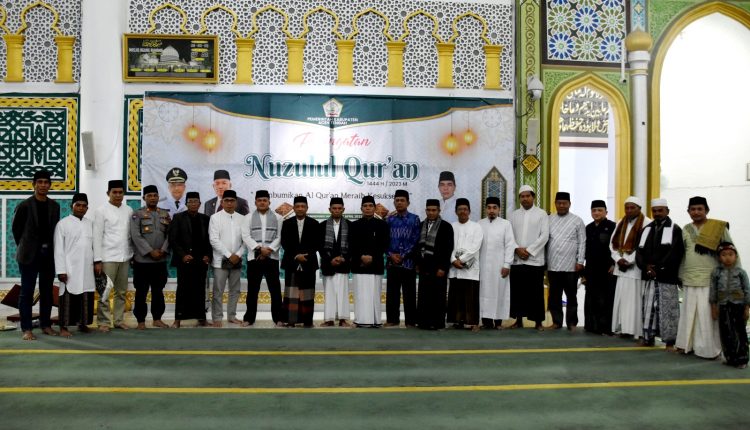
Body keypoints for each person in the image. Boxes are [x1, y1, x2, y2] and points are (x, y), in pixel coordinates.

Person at [676, 196, 733, 358]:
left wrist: (732, 275)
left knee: (707, 315)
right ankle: (687, 345)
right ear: (688, 211)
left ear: (706, 210)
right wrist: (680, 274)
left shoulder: (718, 228)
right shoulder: (686, 229)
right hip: (689, 276)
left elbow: (730, 251)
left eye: (699, 209)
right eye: (692, 209)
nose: (696, 212)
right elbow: (683, 254)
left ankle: (709, 349)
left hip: (711, 278)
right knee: (688, 313)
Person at [12, 169, 60, 340]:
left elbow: (54, 231)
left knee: (47, 292)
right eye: (39, 182)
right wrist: (27, 247)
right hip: (28, 256)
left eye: (46, 182)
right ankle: (26, 328)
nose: (43, 185)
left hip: (48, 256)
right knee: (27, 292)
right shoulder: (24, 205)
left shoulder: (55, 206)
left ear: (50, 185)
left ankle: (45, 325)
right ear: (34, 184)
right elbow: (16, 231)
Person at [635, 198, 684, 349]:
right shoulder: (646, 229)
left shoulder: (675, 229)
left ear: (667, 211)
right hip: (649, 277)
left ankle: (670, 341)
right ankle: (648, 338)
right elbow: (639, 252)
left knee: (668, 310)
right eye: (654, 211)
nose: (657, 213)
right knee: (648, 309)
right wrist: (645, 267)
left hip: (666, 277)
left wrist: (657, 267)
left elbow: (675, 253)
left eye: (660, 210)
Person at [93, 179, 134, 332]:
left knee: (121, 292)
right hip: (107, 257)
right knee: (105, 291)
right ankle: (103, 321)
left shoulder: (128, 210)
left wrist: (131, 254)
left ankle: (118, 320)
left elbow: (130, 235)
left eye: (120, 192)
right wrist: (97, 260)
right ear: (108, 193)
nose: (117, 195)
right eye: (114, 192)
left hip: (125, 257)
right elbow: (97, 236)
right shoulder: (101, 211)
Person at [53, 193, 95, 338]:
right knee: (67, 298)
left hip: (87, 268)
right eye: (78, 205)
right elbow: (58, 249)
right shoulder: (63, 224)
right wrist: (61, 270)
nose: (81, 208)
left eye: (84, 206)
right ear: (72, 206)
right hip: (70, 268)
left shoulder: (90, 223)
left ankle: (82, 324)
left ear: (87, 208)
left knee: (86, 296)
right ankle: (63, 327)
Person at [130, 185, 171, 330]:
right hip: (142, 261)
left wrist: (163, 250)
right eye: (149, 196)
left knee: (158, 291)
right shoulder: (137, 214)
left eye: (155, 195)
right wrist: (149, 251)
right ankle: (141, 321)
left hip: (160, 261)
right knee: (141, 291)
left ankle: (157, 319)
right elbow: (135, 235)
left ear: (158, 197)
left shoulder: (165, 214)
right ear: (144, 198)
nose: (152, 198)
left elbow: (169, 235)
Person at [508, 185, 549, 330]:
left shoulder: (542, 214)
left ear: (533, 197)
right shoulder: (513, 215)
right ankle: (518, 320)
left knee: (536, 292)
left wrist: (529, 251)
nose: (525, 199)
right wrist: (517, 249)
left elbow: (544, 236)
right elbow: (509, 236)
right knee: (518, 291)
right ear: (519, 198)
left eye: (527, 196)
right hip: (517, 259)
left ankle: (538, 322)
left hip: (535, 260)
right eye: (522, 196)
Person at [610, 196, 650, 338]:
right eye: (627, 208)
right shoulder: (621, 222)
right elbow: (612, 244)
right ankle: (623, 328)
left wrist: (629, 261)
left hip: (635, 269)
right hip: (621, 268)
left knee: (634, 301)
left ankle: (634, 330)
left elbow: (643, 247)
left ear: (639, 208)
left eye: (632, 207)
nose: (629, 210)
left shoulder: (647, 223)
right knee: (622, 299)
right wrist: (618, 259)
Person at [241, 190, 283, 327]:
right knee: (252, 290)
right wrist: (260, 249)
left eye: (265, 200)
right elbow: (246, 236)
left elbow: (280, 237)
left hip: (272, 258)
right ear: (255, 202)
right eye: (259, 200)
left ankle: (278, 318)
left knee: (275, 290)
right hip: (254, 258)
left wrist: (268, 249)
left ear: (269, 202)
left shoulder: (278, 217)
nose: (262, 202)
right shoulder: (248, 217)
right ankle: (249, 318)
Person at [169, 191, 211, 328]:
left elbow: (210, 239)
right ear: (186, 204)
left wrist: (208, 255)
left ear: (199, 204)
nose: (193, 204)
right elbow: (173, 239)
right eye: (190, 201)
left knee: (200, 290)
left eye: (195, 201)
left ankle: (201, 318)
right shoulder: (178, 218)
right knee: (182, 289)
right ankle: (178, 319)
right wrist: (183, 255)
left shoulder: (205, 219)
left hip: (200, 260)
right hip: (185, 260)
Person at [546, 191, 586, 331]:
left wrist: (580, 261)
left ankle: (572, 323)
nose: (562, 205)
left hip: (571, 266)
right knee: (554, 296)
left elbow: (582, 242)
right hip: (553, 264)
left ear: (569, 204)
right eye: (559, 203)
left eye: (564, 203)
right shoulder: (549, 219)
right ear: (555, 204)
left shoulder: (577, 220)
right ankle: (556, 322)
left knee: (571, 296)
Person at [350, 195, 390, 327]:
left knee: (374, 294)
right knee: (360, 294)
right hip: (359, 264)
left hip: (375, 264)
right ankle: (360, 320)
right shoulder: (354, 225)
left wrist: (373, 256)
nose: (367, 208)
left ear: (374, 208)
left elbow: (384, 244)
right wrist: (361, 256)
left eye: (370, 206)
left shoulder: (382, 225)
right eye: (365, 206)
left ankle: (375, 320)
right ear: (361, 208)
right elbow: (351, 245)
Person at [208, 189, 246, 327]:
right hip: (220, 261)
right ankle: (217, 317)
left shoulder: (242, 218)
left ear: (236, 203)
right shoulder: (215, 218)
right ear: (222, 202)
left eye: (232, 201)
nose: (229, 203)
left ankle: (232, 316)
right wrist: (230, 255)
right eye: (227, 201)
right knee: (218, 290)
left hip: (237, 260)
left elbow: (246, 240)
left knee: (235, 290)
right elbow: (214, 240)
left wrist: (238, 254)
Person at [280, 196, 320, 328]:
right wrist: (296, 255)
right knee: (292, 293)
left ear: (307, 208)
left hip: (308, 261)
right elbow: (285, 242)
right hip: (291, 261)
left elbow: (316, 243)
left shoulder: (314, 223)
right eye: (297, 206)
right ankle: (291, 320)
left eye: (303, 206)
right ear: (293, 208)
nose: (300, 209)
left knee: (307, 293)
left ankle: (307, 321)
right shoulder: (287, 223)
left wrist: (304, 255)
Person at [385, 190, 421, 328]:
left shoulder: (414, 219)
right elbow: (384, 240)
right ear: (394, 202)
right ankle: (392, 319)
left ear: (408, 203)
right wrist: (391, 254)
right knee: (392, 293)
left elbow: (416, 240)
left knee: (409, 293)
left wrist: (403, 255)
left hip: (408, 262)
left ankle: (410, 321)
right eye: (397, 200)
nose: (399, 203)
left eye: (402, 200)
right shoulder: (389, 220)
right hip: (392, 262)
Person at [478, 196, 515, 329]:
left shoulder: (506, 224)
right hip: (482, 266)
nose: (491, 210)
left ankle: (498, 322)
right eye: (489, 208)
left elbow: (510, 245)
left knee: (499, 292)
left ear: (499, 209)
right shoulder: (479, 224)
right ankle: (487, 322)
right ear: (485, 209)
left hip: (499, 266)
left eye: (494, 208)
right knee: (484, 293)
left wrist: (507, 265)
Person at [710, 242, 749, 368]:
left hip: (738, 306)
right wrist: (713, 307)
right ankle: (730, 357)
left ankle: (742, 359)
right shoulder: (716, 273)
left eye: (731, 254)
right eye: (724, 255)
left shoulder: (741, 272)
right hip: (723, 306)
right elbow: (713, 290)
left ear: (736, 256)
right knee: (725, 332)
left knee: (739, 332)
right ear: (719, 257)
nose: (727, 257)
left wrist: (747, 308)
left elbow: (747, 290)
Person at [416, 199, 454, 330]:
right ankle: (423, 322)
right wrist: (418, 263)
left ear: (439, 211)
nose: (431, 212)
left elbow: (448, 248)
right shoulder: (421, 225)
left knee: (438, 296)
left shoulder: (446, 226)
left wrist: (443, 267)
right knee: (424, 295)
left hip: (438, 268)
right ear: (425, 211)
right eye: (429, 210)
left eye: (434, 210)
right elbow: (417, 246)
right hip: (424, 266)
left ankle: (437, 323)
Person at [447, 198, 483, 332]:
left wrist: (460, 260)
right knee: (456, 296)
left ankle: (473, 322)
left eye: (465, 209)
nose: (462, 211)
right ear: (455, 211)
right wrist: (453, 260)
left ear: (469, 211)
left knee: (471, 296)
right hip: (454, 268)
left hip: (470, 269)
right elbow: (448, 246)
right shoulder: (451, 226)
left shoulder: (476, 227)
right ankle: (458, 321)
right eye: (460, 209)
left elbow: (475, 247)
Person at [582, 200, 617, 335]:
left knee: (605, 299)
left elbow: (617, 247)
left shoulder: (613, 226)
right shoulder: (588, 228)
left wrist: (614, 264)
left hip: (607, 269)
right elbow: (585, 249)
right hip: (591, 268)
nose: (596, 213)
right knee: (591, 298)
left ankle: (605, 328)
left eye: (599, 210)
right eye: (594, 210)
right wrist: (584, 272)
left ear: (606, 212)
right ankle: (591, 326)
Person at [319, 197, 353, 327]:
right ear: (330, 209)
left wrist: (343, 258)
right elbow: (319, 246)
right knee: (329, 292)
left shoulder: (350, 225)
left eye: (339, 208)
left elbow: (353, 245)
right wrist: (330, 260)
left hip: (344, 264)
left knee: (343, 292)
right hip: (328, 264)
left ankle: (343, 319)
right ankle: (329, 319)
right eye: (334, 208)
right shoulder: (322, 226)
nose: (337, 210)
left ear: (343, 209)